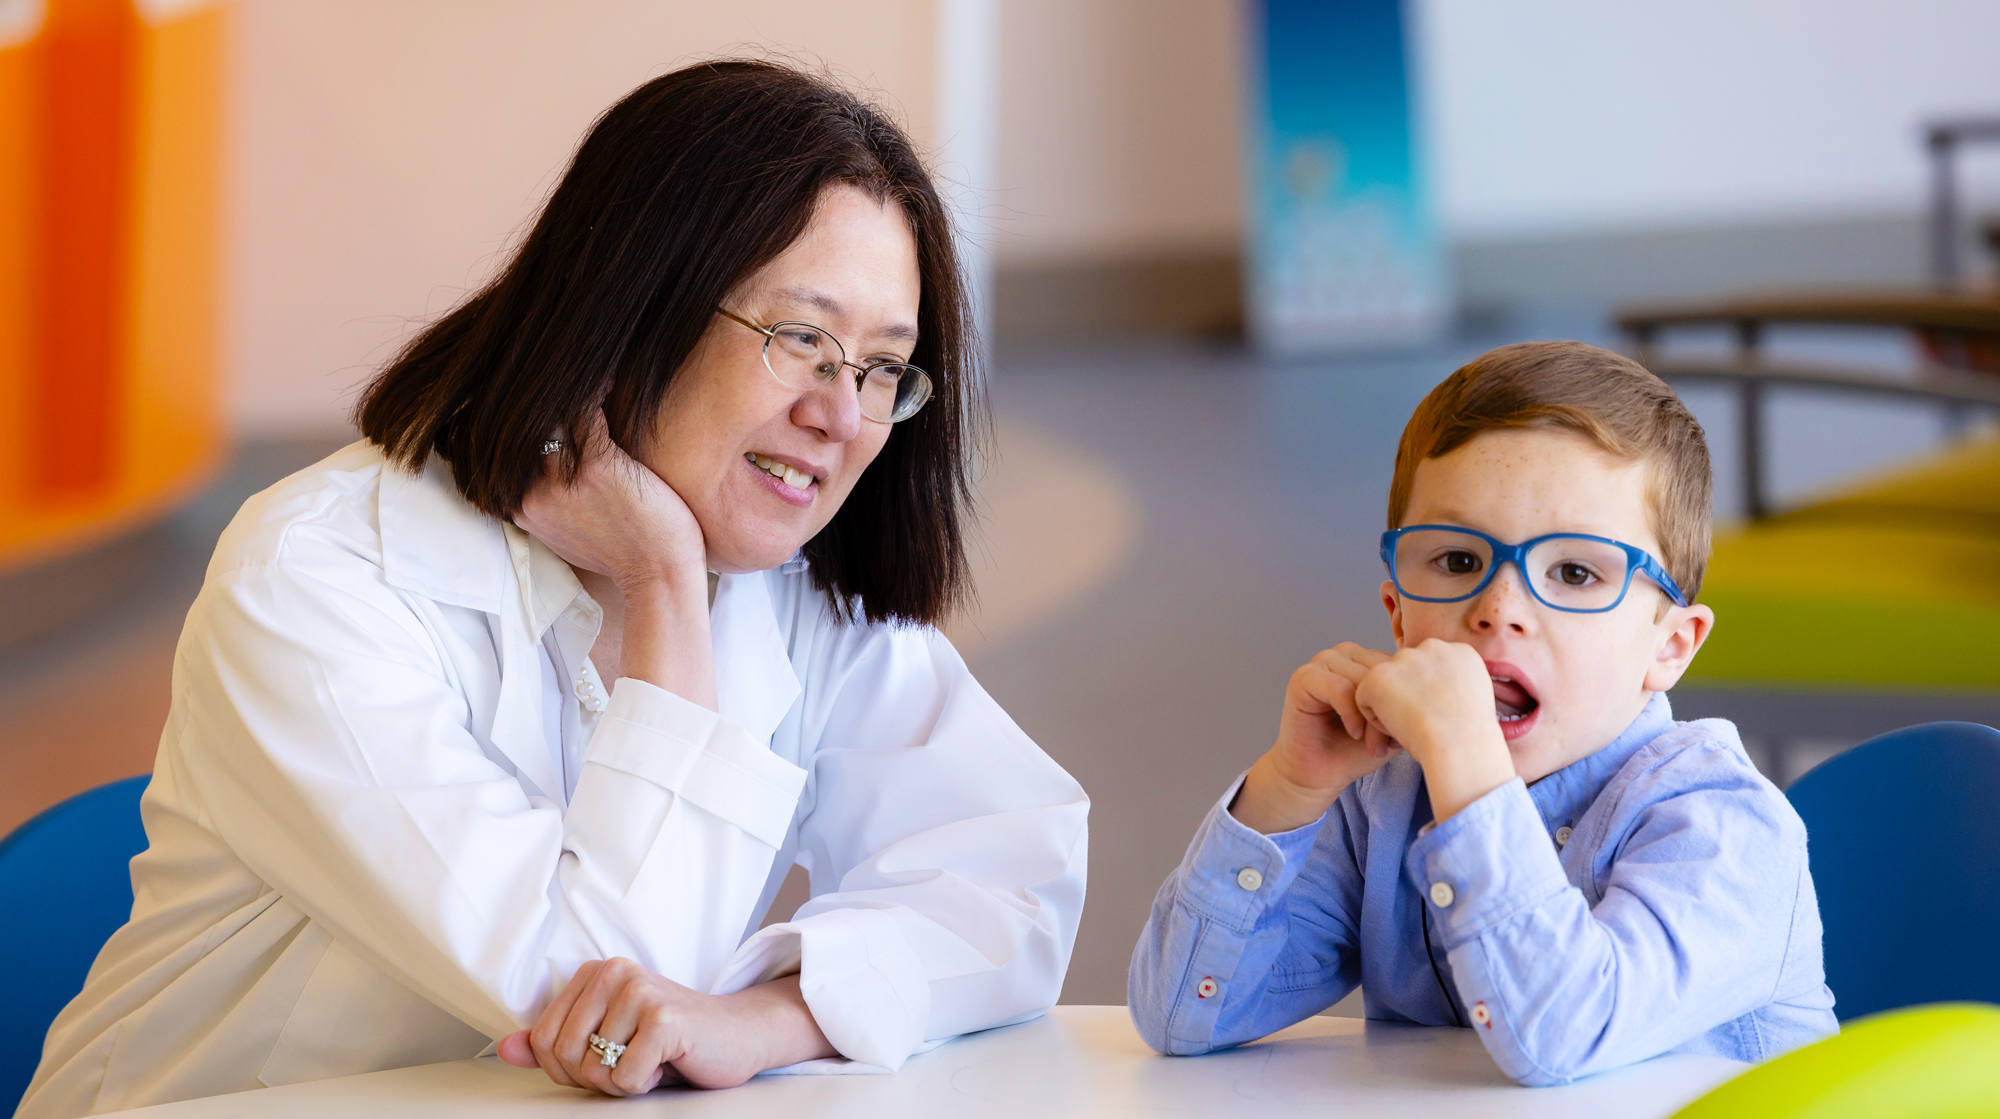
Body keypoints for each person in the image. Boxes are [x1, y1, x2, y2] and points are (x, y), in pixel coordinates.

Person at [20, 61, 1087, 1117]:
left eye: (879, 368)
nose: (843, 417)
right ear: (631, 307)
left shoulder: (789, 586)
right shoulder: (319, 574)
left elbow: (1011, 883)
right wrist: (660, 581)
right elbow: (594, 991)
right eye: (799, 340)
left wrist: (773, 1016)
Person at [1127, 341, 1837, 1085]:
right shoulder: (1379, 801)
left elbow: (1561, 1034)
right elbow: (1182, 1016)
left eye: (1574, 571)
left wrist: (1467, 767)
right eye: (1460, 561)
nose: (1499, 611)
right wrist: (1289, 789)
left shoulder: (1725, 826)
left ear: (1670, 647)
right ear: (1398, 616)